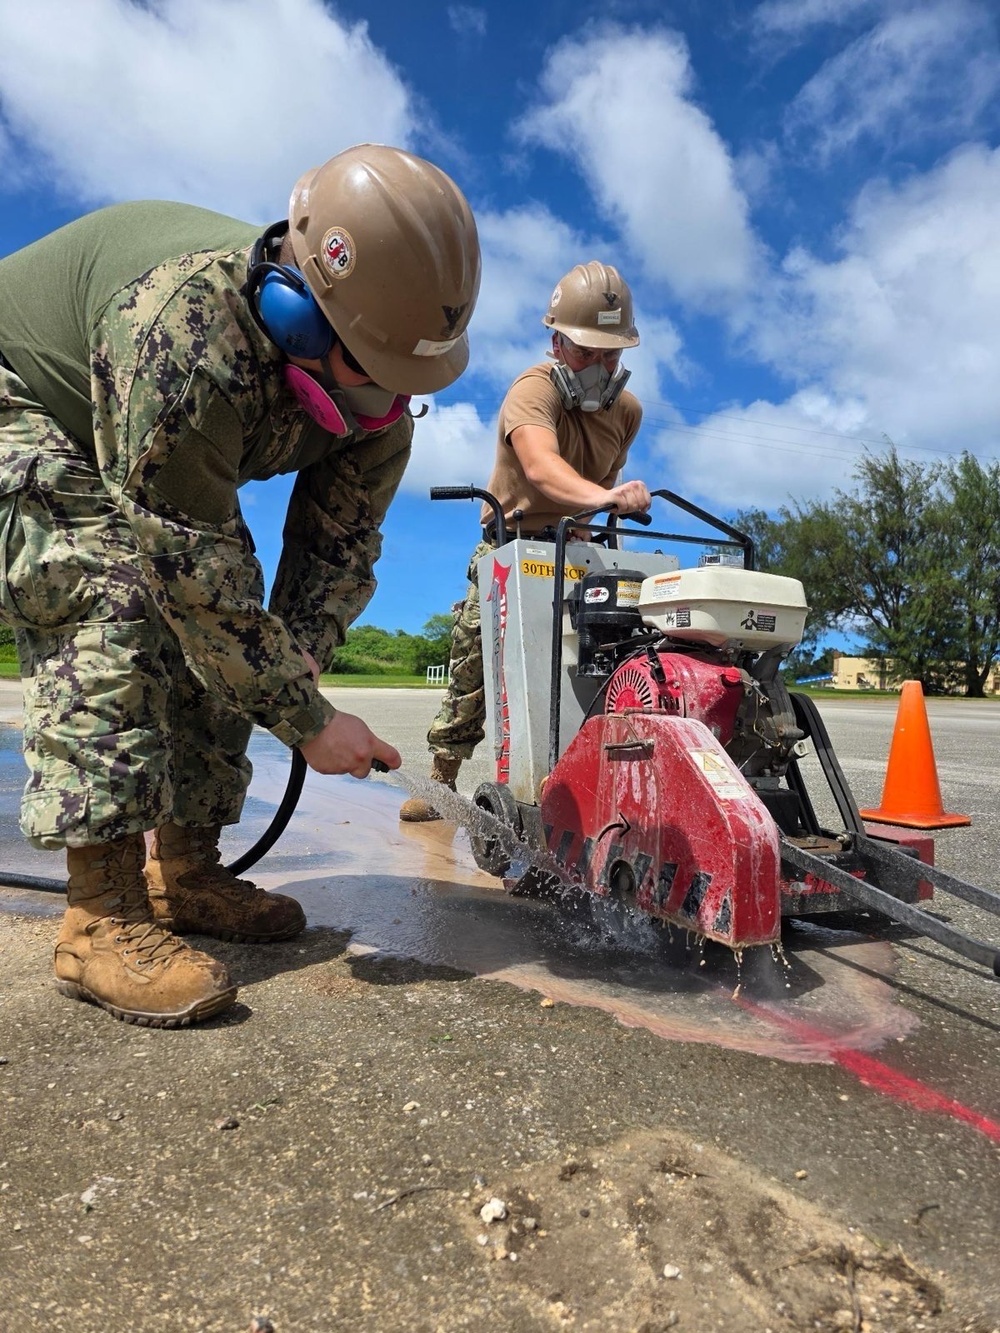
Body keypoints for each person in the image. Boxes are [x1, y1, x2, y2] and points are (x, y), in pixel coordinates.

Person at [0, 143, 481, 1027]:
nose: (388, 407)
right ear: (298, 313)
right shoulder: (186, 339)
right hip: (21, 396)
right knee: (114, 587)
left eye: (406, 387)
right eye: (375, 375)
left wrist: (300, 673)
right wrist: (307, 720)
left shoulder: (384, 395)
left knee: (252, 628)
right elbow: (186, 572)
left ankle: (184, 871)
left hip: (140, 429)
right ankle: (99, 915)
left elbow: (337, 553)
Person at [400, 260, 650, 823]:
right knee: (475, 663)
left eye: (612, 354)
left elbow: (599, 483)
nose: (600, 366)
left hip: (576, 549)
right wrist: (607, 499)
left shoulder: (627, 412)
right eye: (587, 351)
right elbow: (542, 468)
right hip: (511, 547)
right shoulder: (532, 391)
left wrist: (601, 509)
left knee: (593, 662)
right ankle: (441, 778)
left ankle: (581, 782)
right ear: (557, 341)